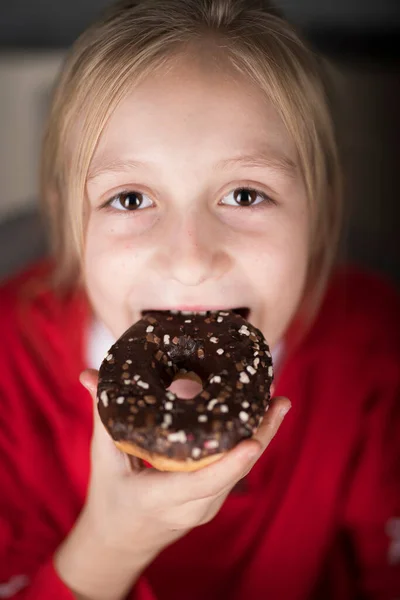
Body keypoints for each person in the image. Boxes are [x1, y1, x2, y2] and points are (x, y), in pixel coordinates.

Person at [0, 0, 399, 598]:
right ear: (69, 225)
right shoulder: (9, 369)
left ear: (318, 218)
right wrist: (112, 544)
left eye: (245, 194)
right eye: (131, 199)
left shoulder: (377, 355)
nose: (190, 260)